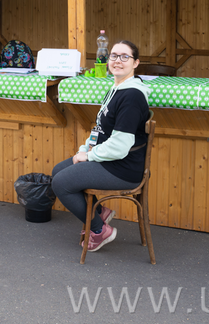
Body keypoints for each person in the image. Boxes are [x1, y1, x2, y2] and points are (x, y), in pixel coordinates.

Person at [51, 40, 151, 252]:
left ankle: (99, 230)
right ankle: (99, 213)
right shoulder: (116, 88)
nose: (117, 61)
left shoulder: (132, 96)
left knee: (61, 183)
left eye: (125, 57)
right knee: (58, 170)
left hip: (123, 167)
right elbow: (100, 129)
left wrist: (89, 156)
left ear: (135, 63)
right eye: (114, 56)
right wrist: (84, 149)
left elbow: (120, 146)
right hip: (110, 159)